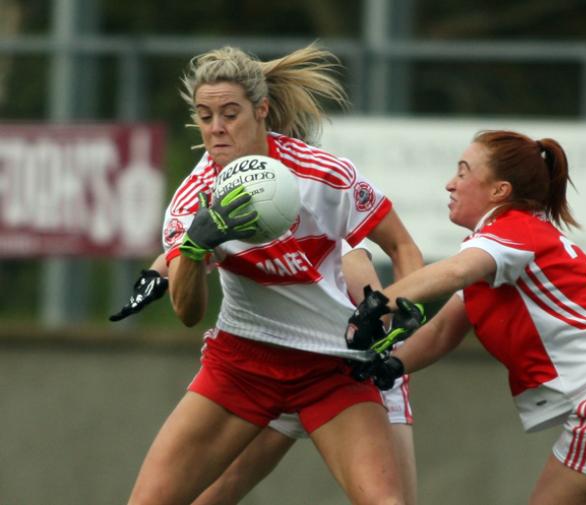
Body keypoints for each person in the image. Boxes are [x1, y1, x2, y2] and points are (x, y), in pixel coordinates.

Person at [127, 44, 423, 505]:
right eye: (205, 116)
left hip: (331, 364)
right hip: (244, 364)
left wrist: (401, 320)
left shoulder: (323, 176)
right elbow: (188, 314)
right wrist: (194, 244)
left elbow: (401, 247)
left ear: (261, 110)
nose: (216, 129)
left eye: (229, 113)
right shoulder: (194, 202)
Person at [350, 130, 586, 505]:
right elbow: (442, 330)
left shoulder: (510, 230)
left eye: (464, 171)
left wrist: (378, 303)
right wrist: (390, 365)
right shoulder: (508, 249)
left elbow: (453, 272)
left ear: (500, 191)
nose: (450, 184)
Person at [113, 246, 418, 505]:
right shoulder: (252, 197)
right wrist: (157, 272)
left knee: (388, 499)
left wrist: (380, 330)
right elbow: (189, 240)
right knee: (217, 488)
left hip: (350, 370)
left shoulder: (321, 201)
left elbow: (363, 275)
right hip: (280, 365)